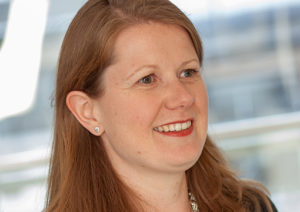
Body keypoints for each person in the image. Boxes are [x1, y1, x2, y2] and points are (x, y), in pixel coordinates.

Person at [45, 0, 277, 211]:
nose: (183, 97)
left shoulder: (252, 207)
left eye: (188, 72)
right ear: (88, 112)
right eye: (147, 79)